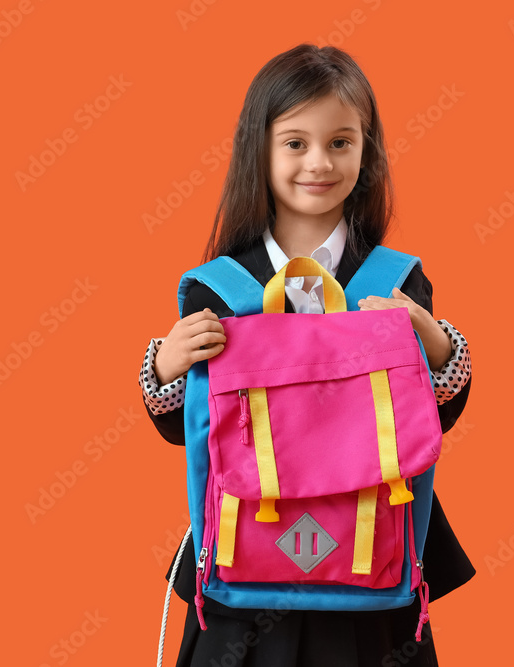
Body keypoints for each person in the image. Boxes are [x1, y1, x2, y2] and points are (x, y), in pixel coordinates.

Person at [139, 44, 475, 666]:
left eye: (341, 142)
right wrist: (164, 368)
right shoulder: (218, 286)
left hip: (374, 552)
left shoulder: (394, 283)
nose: (318, 162)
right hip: (243, 559)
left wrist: (438, 344)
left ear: (366, 153)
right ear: (258, 151)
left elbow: (431, 421)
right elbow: (183, 429)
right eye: (295, 143)